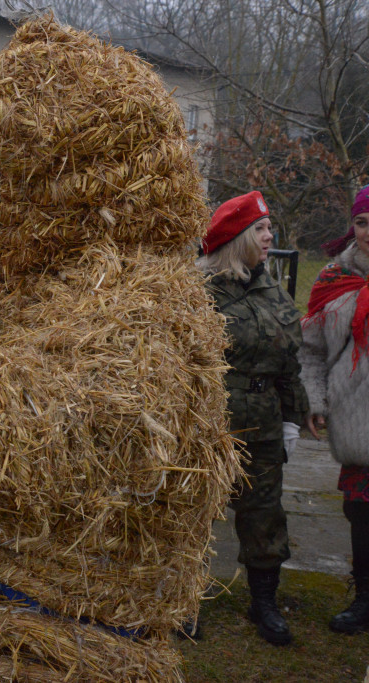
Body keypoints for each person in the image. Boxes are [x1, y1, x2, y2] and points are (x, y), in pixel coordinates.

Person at [197, 190, 309, 646]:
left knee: (264, 516)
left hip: (262, 425)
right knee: (193, 516)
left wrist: (292, 420)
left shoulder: (271, 288)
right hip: (209, 425)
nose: (269, 236)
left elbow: (289, 362)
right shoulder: (199, 293)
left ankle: (263, 602)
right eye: (260, 229)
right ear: (238, 236)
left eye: (269, 229)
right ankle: (182, 601)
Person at [299, 183, 369, 635]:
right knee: (360, 515)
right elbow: (310, 351)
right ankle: (364, 599)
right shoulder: (333, 279)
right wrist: (316, 401)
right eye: (362, 223)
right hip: (356, 419)